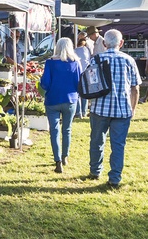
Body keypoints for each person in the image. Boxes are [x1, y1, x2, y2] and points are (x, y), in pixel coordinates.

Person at [87, 29, 140, 188]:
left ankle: (95, 171)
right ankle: (115, 178)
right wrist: (133, 108)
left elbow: (90, 85)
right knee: (118, 145)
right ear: (121, 43)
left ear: (104, 43)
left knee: (97, 141)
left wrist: (90, 104)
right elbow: (135, 88)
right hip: (122, 110)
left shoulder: (96, 59)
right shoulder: (129, 60)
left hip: (99, 108)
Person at [40, 38, 83, 174]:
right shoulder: (76, 62)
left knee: (54, 130)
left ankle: (57, 160)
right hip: (70, 99)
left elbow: (45, 83)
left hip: (53, 99)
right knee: (67, 129)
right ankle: (65, 156)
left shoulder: (50, 62)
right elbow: (79, 83)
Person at [73, 37, 92, 118]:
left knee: (77, 93)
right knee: (85, 93)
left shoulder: (75, 50)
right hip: (87, 72)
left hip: (78, 73)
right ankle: (84, 112)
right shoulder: (88, 51)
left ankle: (78, 112)